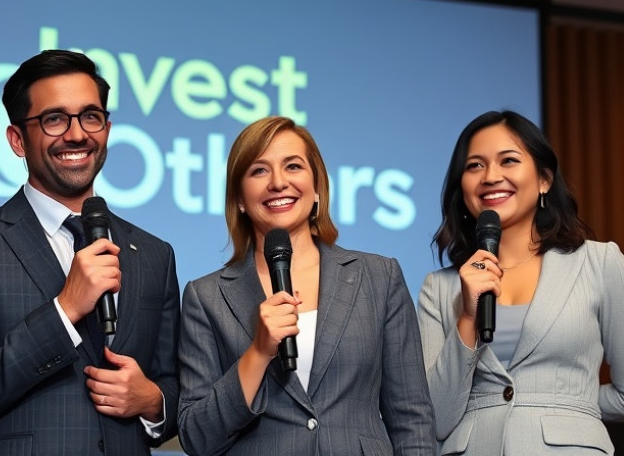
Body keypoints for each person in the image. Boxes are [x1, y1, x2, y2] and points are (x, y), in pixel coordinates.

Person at [0, 49, 180, 455]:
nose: (77, 134)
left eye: (90, 116)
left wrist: (154, 403)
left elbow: (173, 385)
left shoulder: (154, 253)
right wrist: (64, 310)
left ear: (107, 127)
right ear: (17, 140)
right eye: (54, 120)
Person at [178, 116, 437, 455]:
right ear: (239, 198)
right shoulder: (206, 297)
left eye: (293, 166)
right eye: (259, 170)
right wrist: (257, 353)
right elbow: (197, 437)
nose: (278, 182)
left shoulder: (378, 277)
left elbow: (412, 419)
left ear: (316, 188)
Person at [418, 110, 624, 454]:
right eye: (474, 166)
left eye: (508, 160)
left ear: (544, 179)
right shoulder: (438, 288)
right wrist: (467, 318)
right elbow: (435, 416)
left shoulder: (600, 263)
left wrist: (569, 406)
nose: (490, 176)